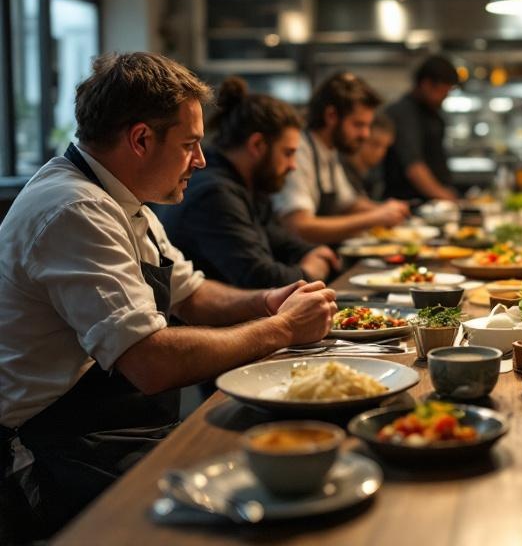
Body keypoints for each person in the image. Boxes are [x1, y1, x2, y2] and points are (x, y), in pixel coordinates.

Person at [0, 53, 337, 540]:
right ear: (140, 139)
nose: (200, 160)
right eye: (190, 145)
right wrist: (283, 328)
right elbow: (151, 363)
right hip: (51, 454)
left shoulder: (125, 200)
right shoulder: (73, 209)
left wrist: (267, 301)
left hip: (112, 430)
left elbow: (193, 294)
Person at [156, 77, 340, 288]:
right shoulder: (214, 194)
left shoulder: (246, 186)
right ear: (257, 145)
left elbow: (278, 239)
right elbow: (258, 279)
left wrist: (311, 251)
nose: (293, 166)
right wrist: (308, 272)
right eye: (288, 153)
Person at [272, 71, 409, 244]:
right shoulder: (298, 151)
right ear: (331, 116)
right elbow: (299, 227)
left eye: (368, 125)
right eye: (358, 124)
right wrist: (374, 218)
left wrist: (388, 211)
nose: (365, 134)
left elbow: (348, 203)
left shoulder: (329, 150)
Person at [381, 55, 460, 202]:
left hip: (434, 204)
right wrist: (446, 197)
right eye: (443, 92)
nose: (445, 97)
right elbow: (414, 167)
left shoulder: (432, 112)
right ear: (426, 84)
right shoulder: (403, 113)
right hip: (410, 205)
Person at [350, 113, 395, 200]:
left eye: (385, 147)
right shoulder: (341, 171)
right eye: (375, 144)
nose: (381, 152)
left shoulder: (377, 173)